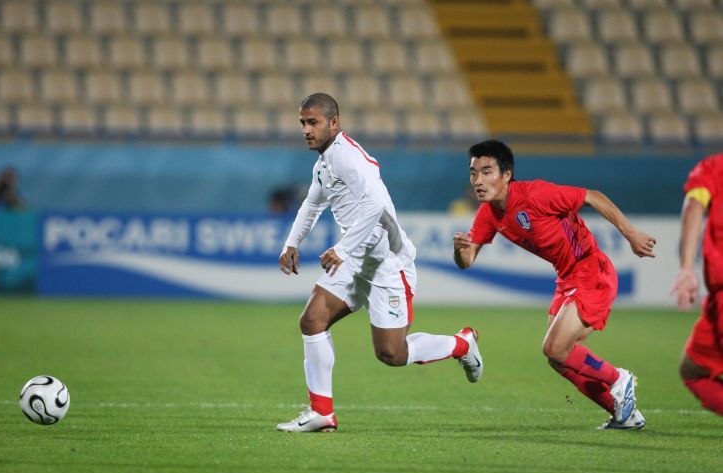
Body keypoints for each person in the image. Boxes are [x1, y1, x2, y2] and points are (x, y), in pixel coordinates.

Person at [276, 93, 483, 432]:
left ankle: (462, 344)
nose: (306, 130)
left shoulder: (347, 157)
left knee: (392, 354)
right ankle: (322, 413)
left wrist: (342, 249)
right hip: (356, 260)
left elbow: (376, 206)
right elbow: (311, 205)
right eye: (302, 123)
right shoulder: (324, 163)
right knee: (312, 320)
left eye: (313, 122)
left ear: (334, 123)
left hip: (387, 263)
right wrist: (291, 243)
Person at [453, 140, 656, 430]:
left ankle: (619, 379)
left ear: (506, 174)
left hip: (591, 271)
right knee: (559, 359)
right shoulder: (488, 213)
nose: (478, 180)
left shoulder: (535, 194)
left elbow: (593, 196)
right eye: (473, 173)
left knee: (556, 348)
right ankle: (624, 414)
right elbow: (467, 260)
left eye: (487, 172)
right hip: (567, 278)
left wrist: (631, 234)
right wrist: (459, 249)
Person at [671, 153, 723, 417]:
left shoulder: (713, 168)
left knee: (693, 372)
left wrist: (686, 267)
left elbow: (693, 206)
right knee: (692, 368)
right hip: (717, 303)